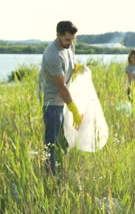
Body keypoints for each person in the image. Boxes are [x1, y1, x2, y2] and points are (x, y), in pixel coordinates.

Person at [38, 21, 84, 175]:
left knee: (63, 140)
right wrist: (74, 110)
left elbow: (70, 62)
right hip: (51, 102)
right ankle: (50, 177)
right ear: (58, 35)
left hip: (63, 101)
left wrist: (77, 68)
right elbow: (61, 87)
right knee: (51, 142)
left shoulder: (69, 46)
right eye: (67, 40)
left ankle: (62, 171)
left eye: (72, 39)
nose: (70, 43)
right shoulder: (52, 55)